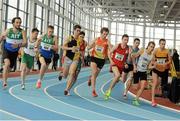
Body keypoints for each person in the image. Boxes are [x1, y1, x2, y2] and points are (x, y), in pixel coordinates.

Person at [0, 17, 27, 89]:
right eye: (17, 22)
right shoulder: (8, 30)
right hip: (6, 50)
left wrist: (18, 45)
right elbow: (1, 37)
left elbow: (25, 43)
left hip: (14, 53)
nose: (19, 24)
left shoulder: (22, 32)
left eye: (20, 23)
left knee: (9, 69)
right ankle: (5, 82)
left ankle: (4, 72)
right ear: (13, 23)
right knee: (7, 64)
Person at [87, 27, 112, 97]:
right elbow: (89, 46)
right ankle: (93, 91)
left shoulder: (107, 41)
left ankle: (91, 77)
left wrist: (112, 51)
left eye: (106, 34)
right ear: (101, 33)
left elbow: (111, 49)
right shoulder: (96, 39)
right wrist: (89, 47)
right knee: (94, 72)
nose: (105, 36)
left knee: (95, 76)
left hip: (102, 60)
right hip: (94, 58)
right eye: (104, 34)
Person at [104, 34, 130, 100]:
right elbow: (109, 53)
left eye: (127, 40)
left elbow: (126, 58)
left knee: (119, 80)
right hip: (114, 64)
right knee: (118, 75)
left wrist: (126, 63)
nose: (126, 41)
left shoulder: (128, 48)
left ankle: (109, 89)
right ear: (122, 40)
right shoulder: (117, 45)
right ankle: (108, 91)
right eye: (125, 40)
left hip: (121, 67)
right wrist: (111, 61)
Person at [58, 25, 81, 95]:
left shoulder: (80, 40)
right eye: (77, 30)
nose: (78, 32)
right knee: (65, 76)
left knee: (72, 73)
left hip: (75, 59)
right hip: (68, 58)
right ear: (74, 31)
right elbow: (63, 47)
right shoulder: (69, 38)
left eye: (79, 31)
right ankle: (61, 74)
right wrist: (71, 48)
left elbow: (81, 49)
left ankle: (67, 89)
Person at [132, 41, 155, 106]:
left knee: (143, 86)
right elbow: (133, 56)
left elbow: (148, 67)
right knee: (135, 88)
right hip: (137, 70)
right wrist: (134, 66)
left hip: (144, 72)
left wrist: (154, 66)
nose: (152, 48)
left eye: (153, 47)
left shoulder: (151, 56)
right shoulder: (142, 50)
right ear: (148, 46)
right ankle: (131, 79)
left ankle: (136, 99)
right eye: (151, 46)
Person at [151, 39, 171, 107]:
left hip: (163, 69)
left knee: (158, 83)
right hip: (156, 69)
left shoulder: (167, 51)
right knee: (155, 82)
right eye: (162, 44)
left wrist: (166, 63)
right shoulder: (156, 50)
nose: (163, 45)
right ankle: (153, 100)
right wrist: (155, 63)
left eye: (164, 44)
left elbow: (170, 61)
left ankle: (153, 86)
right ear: (159, 44)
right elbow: (152, 60)